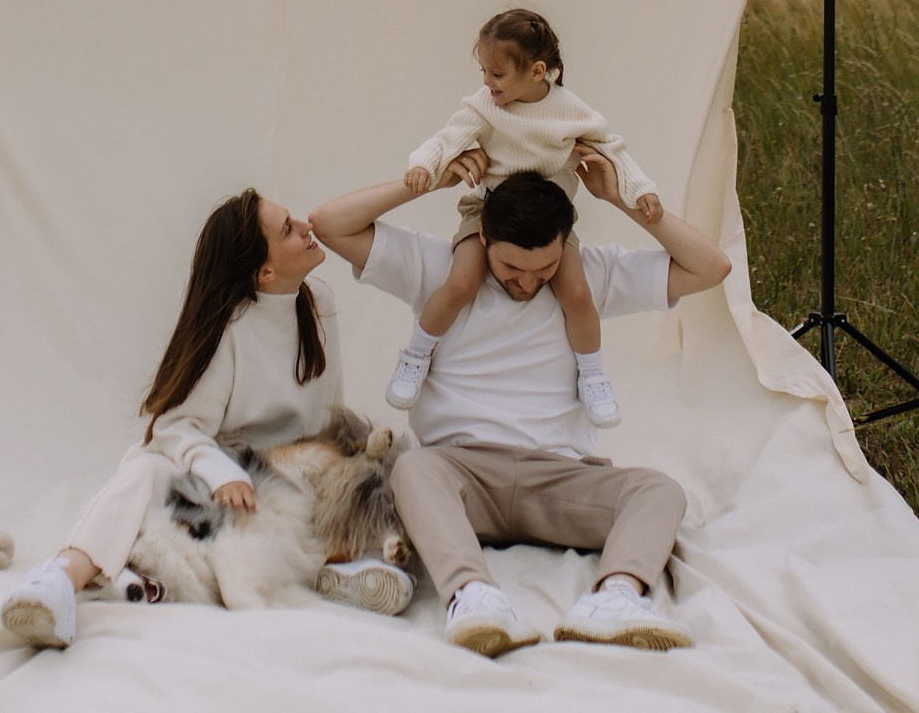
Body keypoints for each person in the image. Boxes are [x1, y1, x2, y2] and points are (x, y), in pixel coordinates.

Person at [312, 152, 730, 656]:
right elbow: (328, 225)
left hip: (559, 479)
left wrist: (622, 197)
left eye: (545, 268)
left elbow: (712, 266)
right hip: (461, 476)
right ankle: (473, 596)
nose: (528, 282)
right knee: (414, 469)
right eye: (512, 267)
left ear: (565, 248)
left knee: (659, 490)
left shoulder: (588, 277)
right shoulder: (437, 267)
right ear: (483, 237)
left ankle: (616, 597)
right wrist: (426, 182)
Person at [0, 190, 412, 648]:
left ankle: (346, 567)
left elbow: (330, 406)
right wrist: (221, 475)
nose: (305, 227)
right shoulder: (231, 326)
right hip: (227, 473)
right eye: (288, 229)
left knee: (380, 473)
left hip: (297, 469)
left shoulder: (319, 303)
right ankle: (59, 580)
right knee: (146, 465)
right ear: (264, 272)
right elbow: (175, 426)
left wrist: (338, 465)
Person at [388, 8, 661, 431]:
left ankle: (592, 375)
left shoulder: (570, 112)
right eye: (483, 70)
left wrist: (640, 189)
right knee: (461, 282)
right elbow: (449, 136)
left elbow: (612, 148)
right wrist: (423, 164)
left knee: (577, 292)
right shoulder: (484, 107)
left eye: (496, 74)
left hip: (548, 221)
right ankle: (416, 356)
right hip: (490, 209)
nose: (486, 83)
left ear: (537, 71)